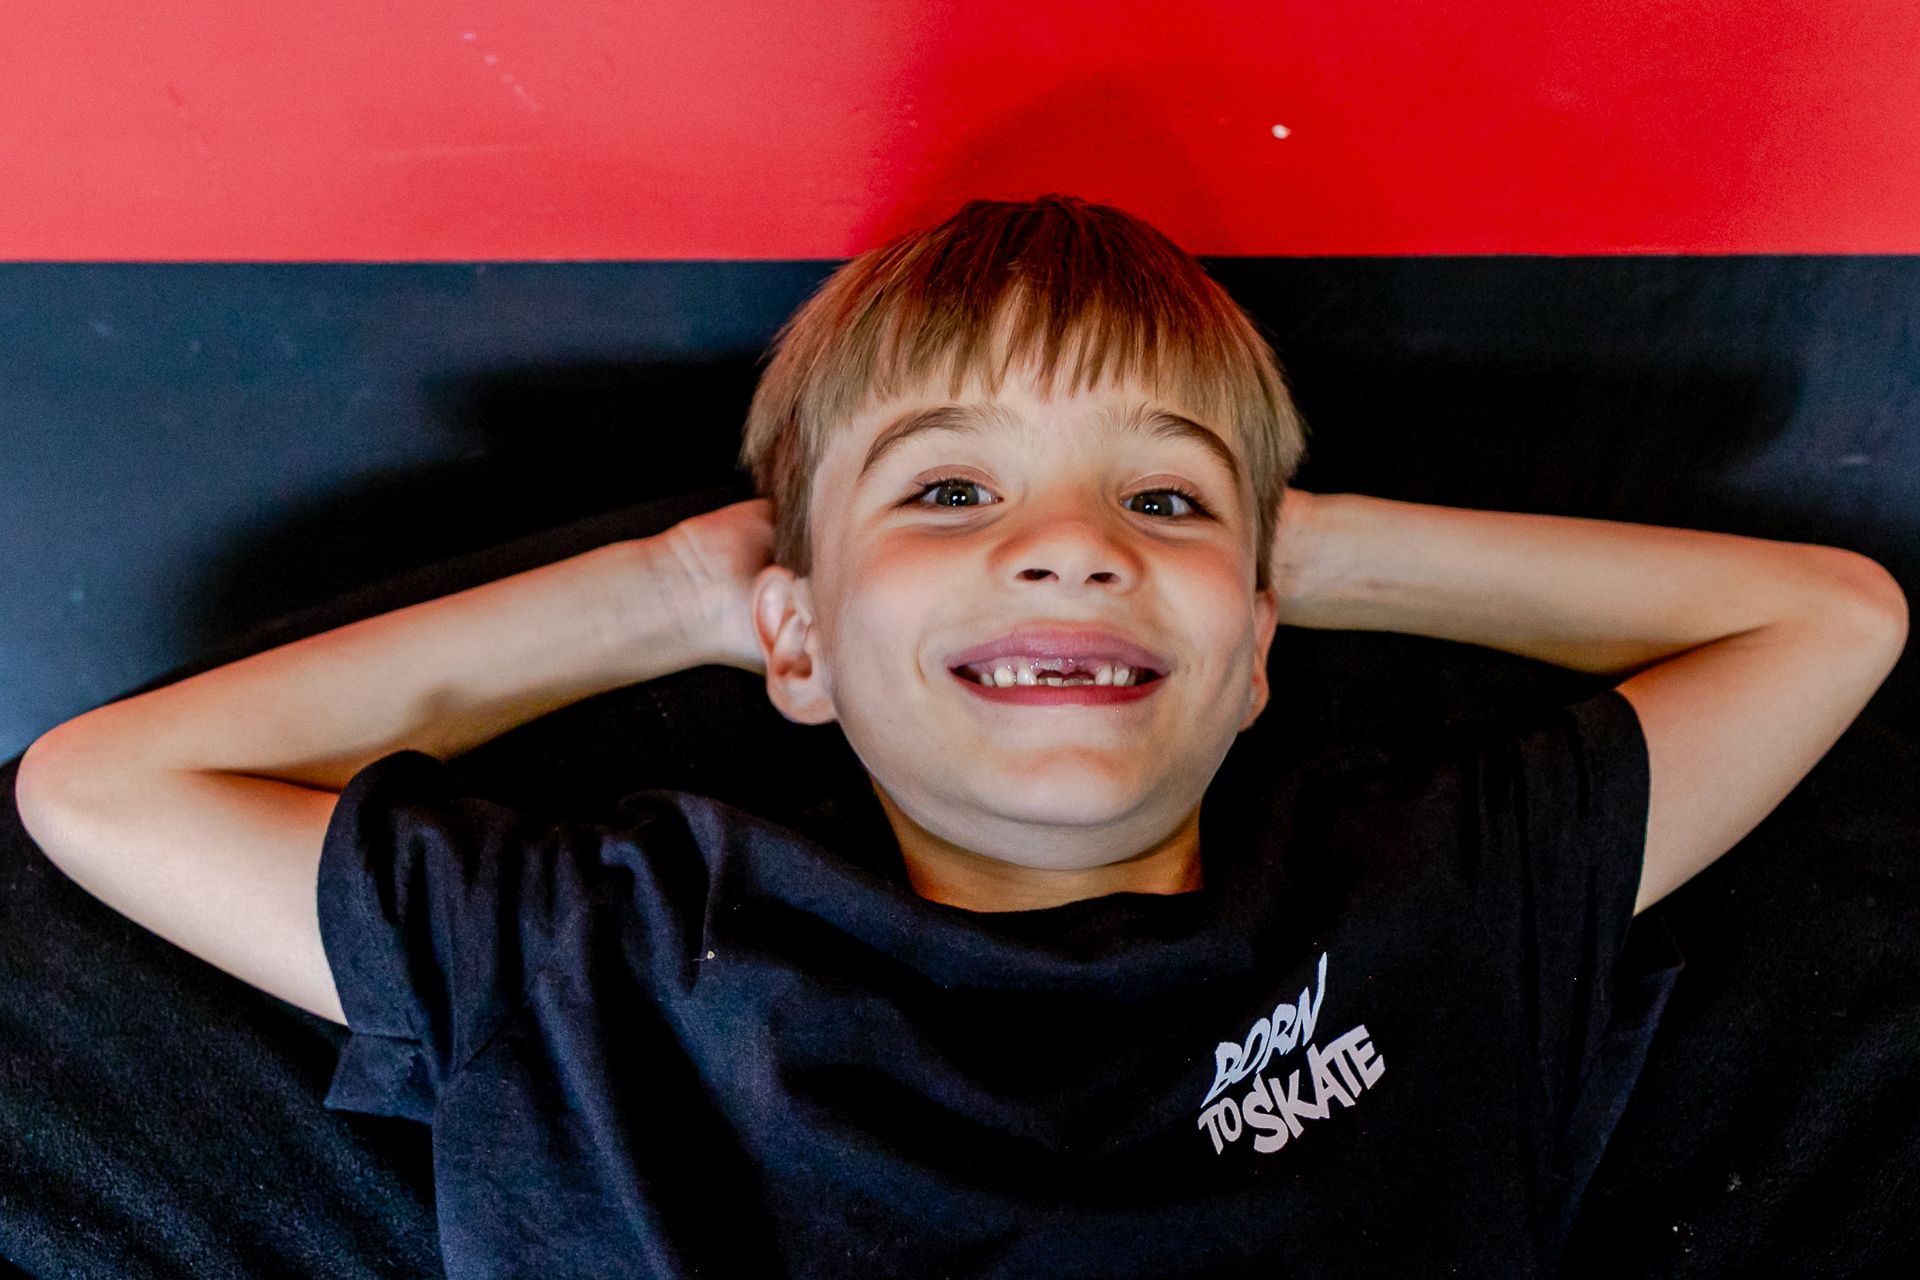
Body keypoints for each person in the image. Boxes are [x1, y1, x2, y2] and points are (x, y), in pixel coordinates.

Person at [16, 194, 1907, 1278]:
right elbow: (99, 791)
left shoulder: (1434, 891)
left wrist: (1298, 550)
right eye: (948, 499)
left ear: (1263, 655)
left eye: (1153, 507)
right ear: (800, 643)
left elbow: (1832, 622)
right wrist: (685, 590)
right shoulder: (606, 942)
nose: (1069, 548)